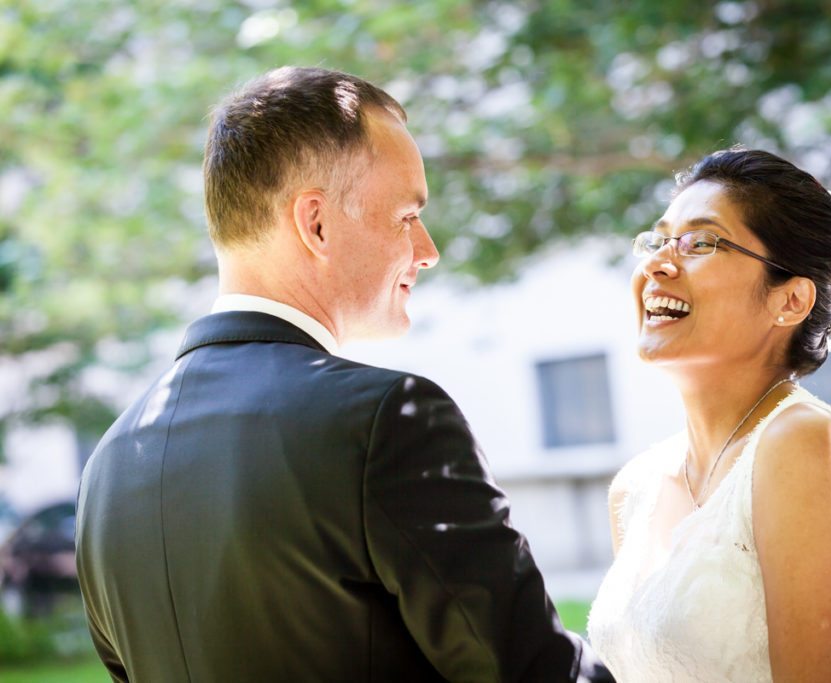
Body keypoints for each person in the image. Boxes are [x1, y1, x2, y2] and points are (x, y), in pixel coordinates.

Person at [75, 66, 612, 683]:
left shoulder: (109, 465)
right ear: (316, 224)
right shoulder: (387, 420)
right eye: (408, 216)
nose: (429, 249)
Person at [587, 148, 831, 682]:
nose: (660, 263)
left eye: (701, 242)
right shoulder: (635, 486)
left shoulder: (805, 443)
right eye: (659, 239)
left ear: (791, 300)